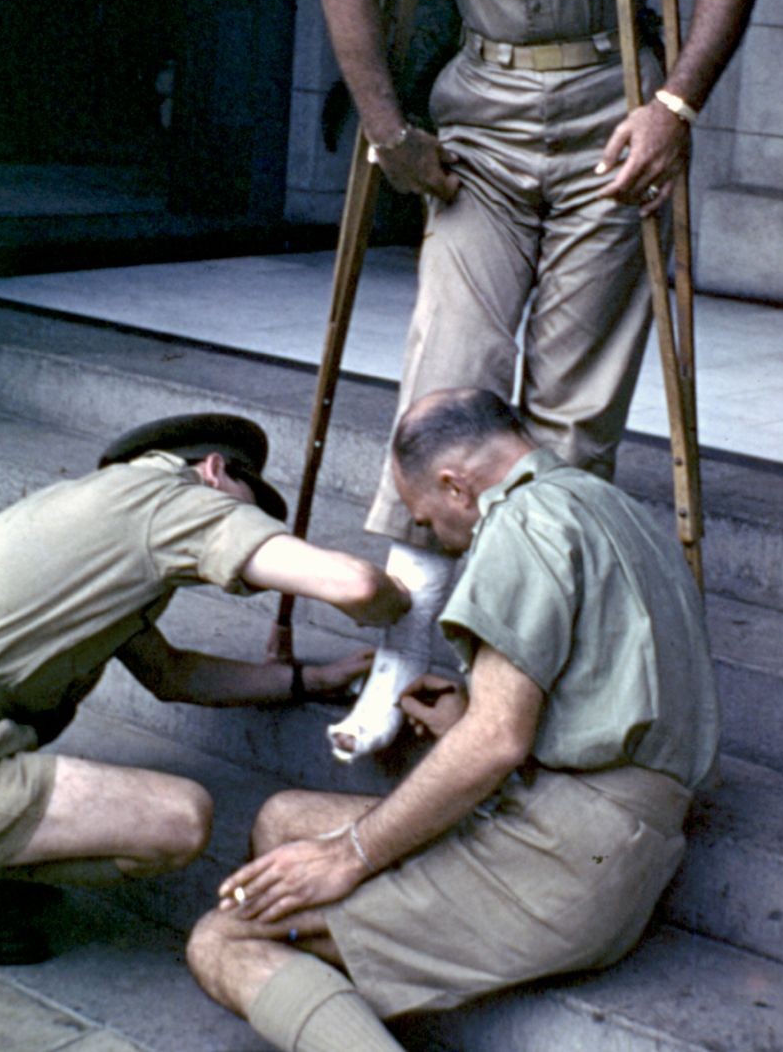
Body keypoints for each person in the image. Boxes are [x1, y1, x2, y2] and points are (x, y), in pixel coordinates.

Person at [321, 0, 759, 761]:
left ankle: (520, 687)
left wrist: (674, 105)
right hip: (475, 124)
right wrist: (389, 130)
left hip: (610, 114)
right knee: (441, 392)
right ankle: (403, 659)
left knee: (567, 423)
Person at [186, 387, 720, 1052]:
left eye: (428, 518)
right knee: (281, 819)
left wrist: (352, 854)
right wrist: (468, 717)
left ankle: (328, 990)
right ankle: (333, 1000)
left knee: (223, 938)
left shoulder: (520, 524)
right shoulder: (610, 505)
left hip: (566, 860)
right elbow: (597, 702)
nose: (439, 537)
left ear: (456, 485)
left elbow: (497, 740)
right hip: (613, 833)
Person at [0, 412, 410, 967]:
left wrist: (307, 680)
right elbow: (356, 586)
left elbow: (173, 675)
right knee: (179, 821)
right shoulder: (175, 501)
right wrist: (412, 609)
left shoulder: (105, 510)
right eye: (246, 508)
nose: (245, 524)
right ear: (214, 471)